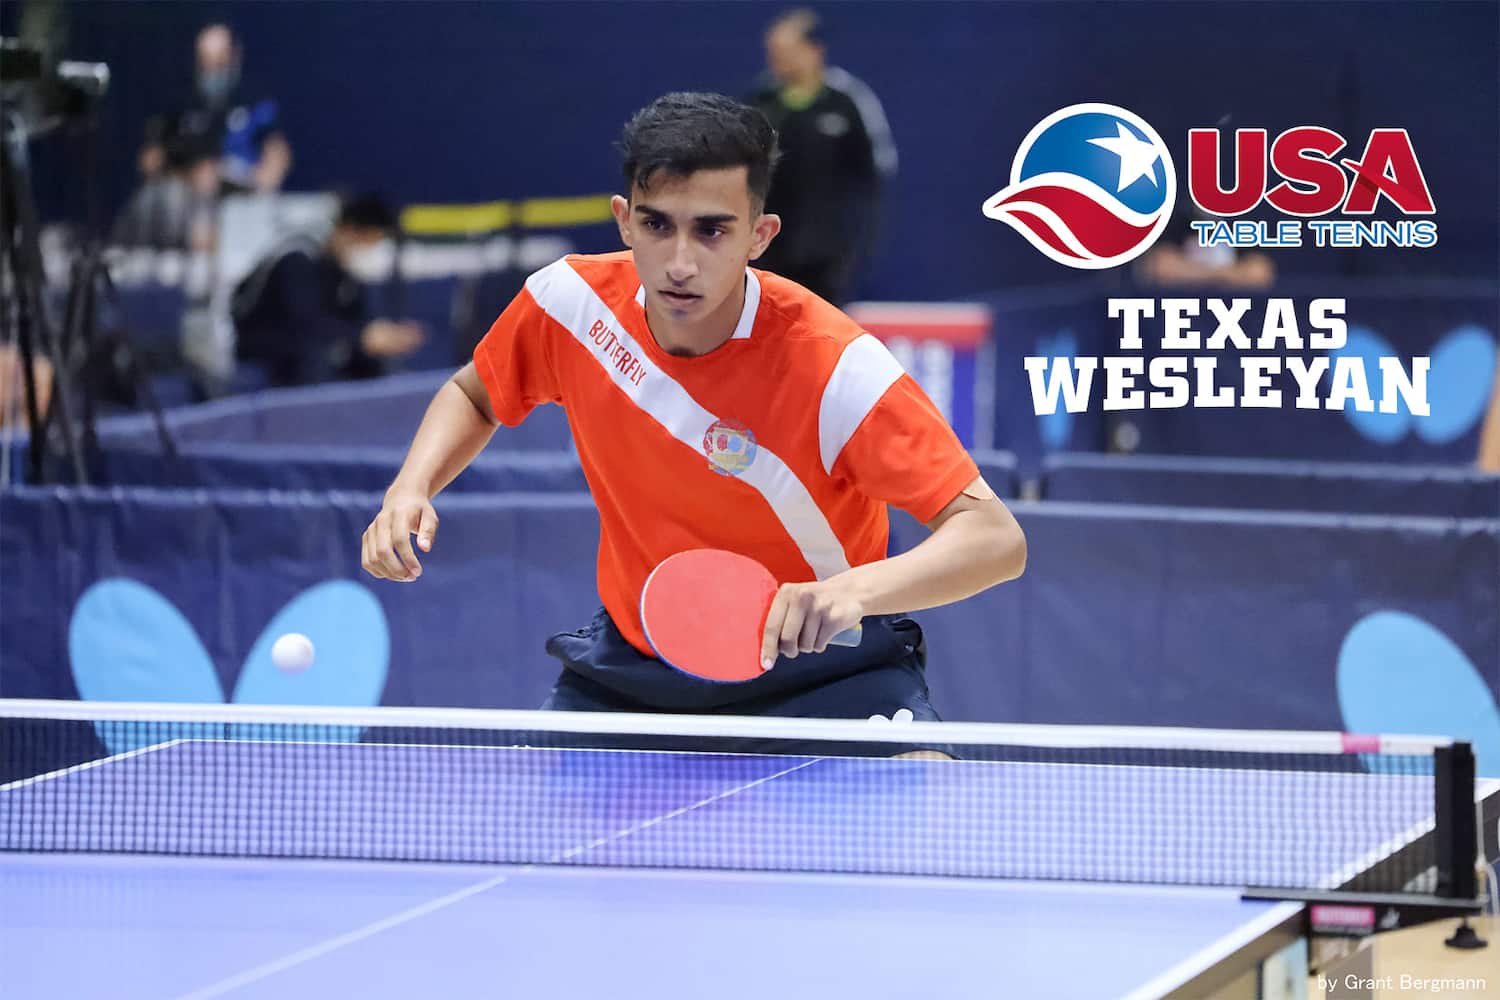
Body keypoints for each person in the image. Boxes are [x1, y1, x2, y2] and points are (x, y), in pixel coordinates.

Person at [361, 92, 1025, 732]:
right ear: (624, 219)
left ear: (760, 235)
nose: (679, 262)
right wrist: (410, 487)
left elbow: (994, 539)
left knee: (928, 820)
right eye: (657, 225)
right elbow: (475, 392)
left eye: (712, 230)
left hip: (828, 672)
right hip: (635, 671)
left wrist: (854, 592)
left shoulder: (835, 367)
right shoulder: (568, 306)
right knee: (533, 837)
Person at [747, 9, 896, 305]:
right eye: (773, 51)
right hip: (770, 249)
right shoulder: (760, 101)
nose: (777, 59)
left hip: (829, 255)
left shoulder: (847, 101)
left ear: (813, 50)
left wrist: (856, 246)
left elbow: (873, 175)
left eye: (785, 51)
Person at [232, 193, 423, 387]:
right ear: (349, 230)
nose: (368, 250)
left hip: (311, 358)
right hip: (268, 356)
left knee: (374, 365)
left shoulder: (345, 275)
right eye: (368, 241)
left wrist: (380, 336)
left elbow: (356, 321)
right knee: (317, 361)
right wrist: (362, 336)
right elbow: (306, 324)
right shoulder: (298, 259)